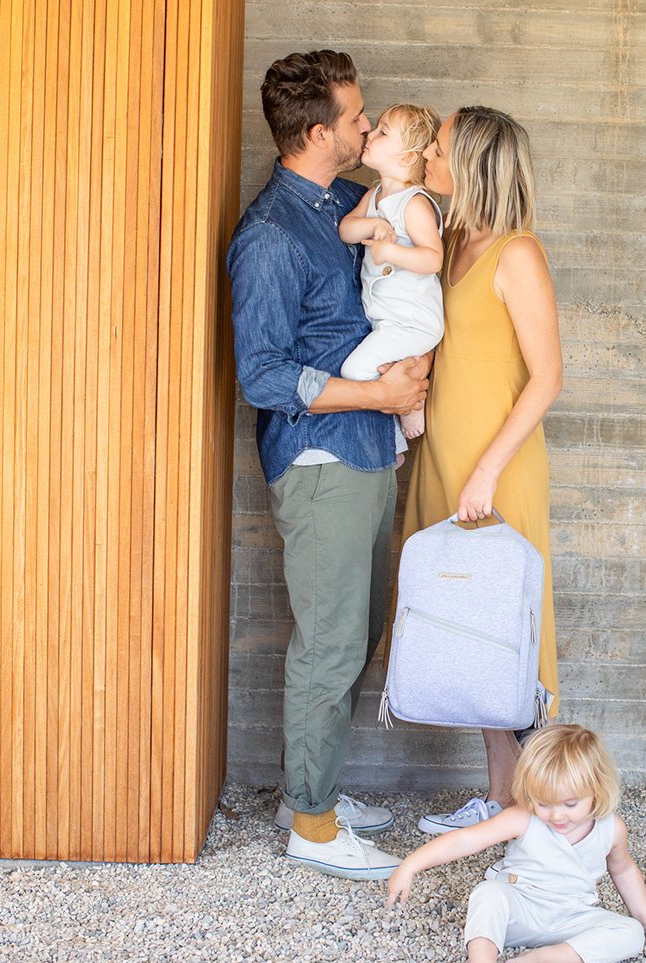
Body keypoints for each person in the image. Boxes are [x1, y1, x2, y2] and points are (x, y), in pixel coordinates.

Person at [227, 50, 429, 880]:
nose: (368, 126)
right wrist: (378, 395)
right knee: (333, 642)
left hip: (367, 450)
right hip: (320, 461)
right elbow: (264, 374)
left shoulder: (346, 201)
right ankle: (311, 827)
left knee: (358, 629)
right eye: (357, 118)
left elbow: (415, 216)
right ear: (318, 133)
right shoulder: (271, 236)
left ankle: (303, 794)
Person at [389, 107, 563, 834]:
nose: (428, 155)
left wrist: (488, 469)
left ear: (473, 163)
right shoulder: (455, 240)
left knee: (511, 633)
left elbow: (548, 378)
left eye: (438, 147)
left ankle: (553, 813)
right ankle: (501, 799)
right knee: (473, 632)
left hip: (497, 468)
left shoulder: (517, 254)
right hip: (446, 460)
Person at [386, 725, 646, 963]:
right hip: (519, 914)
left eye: (570, 804)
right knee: (488, 893)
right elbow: (467, 839)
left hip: (572, 917)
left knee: (630, 933)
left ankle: (545, 958)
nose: (556, 815)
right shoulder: (523, 818)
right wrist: (411, 865)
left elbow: (623, 869)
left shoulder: (611, 828)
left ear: (597, 789)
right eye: (543, 803)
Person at [339, 104, 444, 441]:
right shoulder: (374, 196)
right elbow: (346, 230)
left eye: (383, 132)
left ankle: (411, 402)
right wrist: (372, 225)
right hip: (386, 319)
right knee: (381, 370)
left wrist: (391, 252)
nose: (370, 133)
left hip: (412, 322)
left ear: (407, 158)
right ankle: (403, 412)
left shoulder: (414, 203)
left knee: (354, 370)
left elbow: (433, 259)